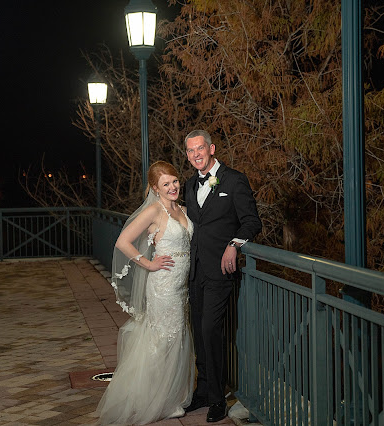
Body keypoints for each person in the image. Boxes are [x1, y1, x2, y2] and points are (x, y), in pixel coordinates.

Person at [96, 161, 195, 425]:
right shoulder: (154, 210)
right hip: (163, 286)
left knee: (178, 339)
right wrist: (149, 263)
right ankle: (152, 399)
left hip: (181, 287)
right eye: (166, 184)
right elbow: (122, 241)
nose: (173, 187)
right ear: (155, 188)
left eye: (174, 181)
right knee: (163, 340)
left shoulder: (183, 210)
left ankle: (172, 396)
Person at [183, 130, 262, 422]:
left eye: (199, 148)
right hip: (195, 272)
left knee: (209, 330)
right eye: (190, 151)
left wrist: (234, 244)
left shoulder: (234, 180)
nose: (195, 154)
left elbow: (252, 222)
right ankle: (202, 391)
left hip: (220, 272)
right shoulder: (191, 185)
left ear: (211, 148)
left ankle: (218, 399)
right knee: (199, 336)